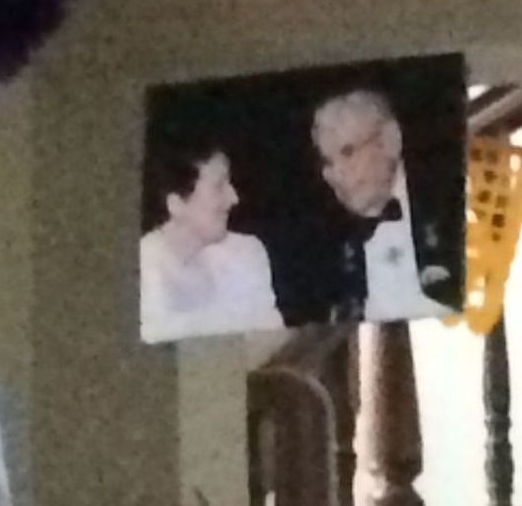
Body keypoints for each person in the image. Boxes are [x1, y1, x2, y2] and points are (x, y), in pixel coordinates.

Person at [293, 86, 462, 326]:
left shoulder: (449, 204)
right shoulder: (323, 251)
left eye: (348, 152)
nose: (336, 174)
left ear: (390, 141)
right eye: (327, 162)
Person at [138, 134, 282, 343]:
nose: (234, 198)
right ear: (176, 204)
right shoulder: (141, 272)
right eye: (218, 186)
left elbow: (271, 337)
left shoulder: (247, 254)